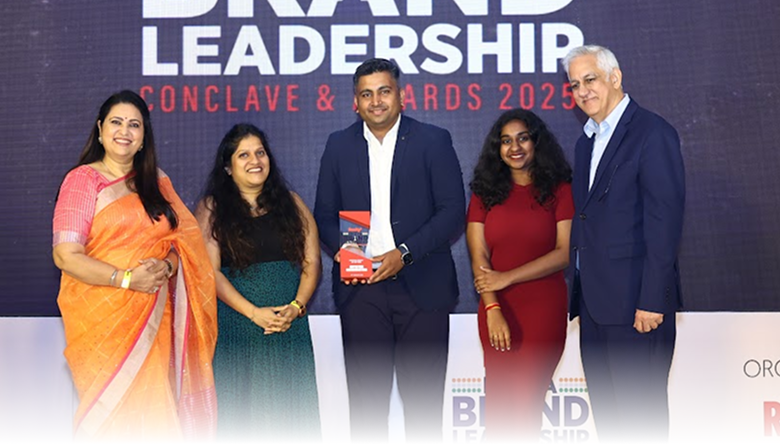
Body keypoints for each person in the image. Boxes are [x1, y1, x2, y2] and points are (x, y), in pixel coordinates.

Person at [314, 58, 465, 442]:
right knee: (366, 409)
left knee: (424, 409)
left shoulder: (433, 140)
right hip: (361, 291)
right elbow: (324, 216)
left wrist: (404, 253)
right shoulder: (338, 145)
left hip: (423, 288)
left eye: (384, 91)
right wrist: (347, 250)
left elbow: (452, 211)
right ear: (355, 102)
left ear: (401, 96)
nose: (376, 101)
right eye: (366, 94)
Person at [52, 90, 217, 439]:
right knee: (112, 413)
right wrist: (126, 279)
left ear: (144, 137)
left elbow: (185, 245)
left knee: (156, 415)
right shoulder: (83, 180)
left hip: (156, 317)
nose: (124, 131)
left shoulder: (157, 183)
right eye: (116, 122)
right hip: (104, 322)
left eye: (134, 125)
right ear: (100, 130)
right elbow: (66, 255)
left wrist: (168, 267)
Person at [562, 45, 685, 442]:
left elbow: (664, 222)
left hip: (637, 305)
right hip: (595, 306)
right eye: (574, 85)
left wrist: (652, 299)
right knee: (611, 422)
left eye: (590, 79)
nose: (582, 91)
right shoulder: (586, 141)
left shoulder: (652, 133)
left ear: (615, 77)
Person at [195, 123, 321, 441]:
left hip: (288, 327)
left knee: (293, 417)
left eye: (260, 152)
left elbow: (312, 262)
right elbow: (211, 273)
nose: (255, 161)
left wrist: (296, 307)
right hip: (239, 326)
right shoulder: (212, 208)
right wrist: (253, 313)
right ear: (228, 167)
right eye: (244, 155)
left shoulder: (292, 203)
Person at [467, 109, 574, 442]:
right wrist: (492, 308)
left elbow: (564, 253)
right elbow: (479, 257)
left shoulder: (559, 190)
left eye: (523, 138)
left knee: (526, 409)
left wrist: (507, 277)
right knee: (498, 410)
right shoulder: (484, 192)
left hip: (543, 311)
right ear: (497, 148)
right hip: (496, 310)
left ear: (536, 142)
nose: (514, 147)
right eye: (506, 141)